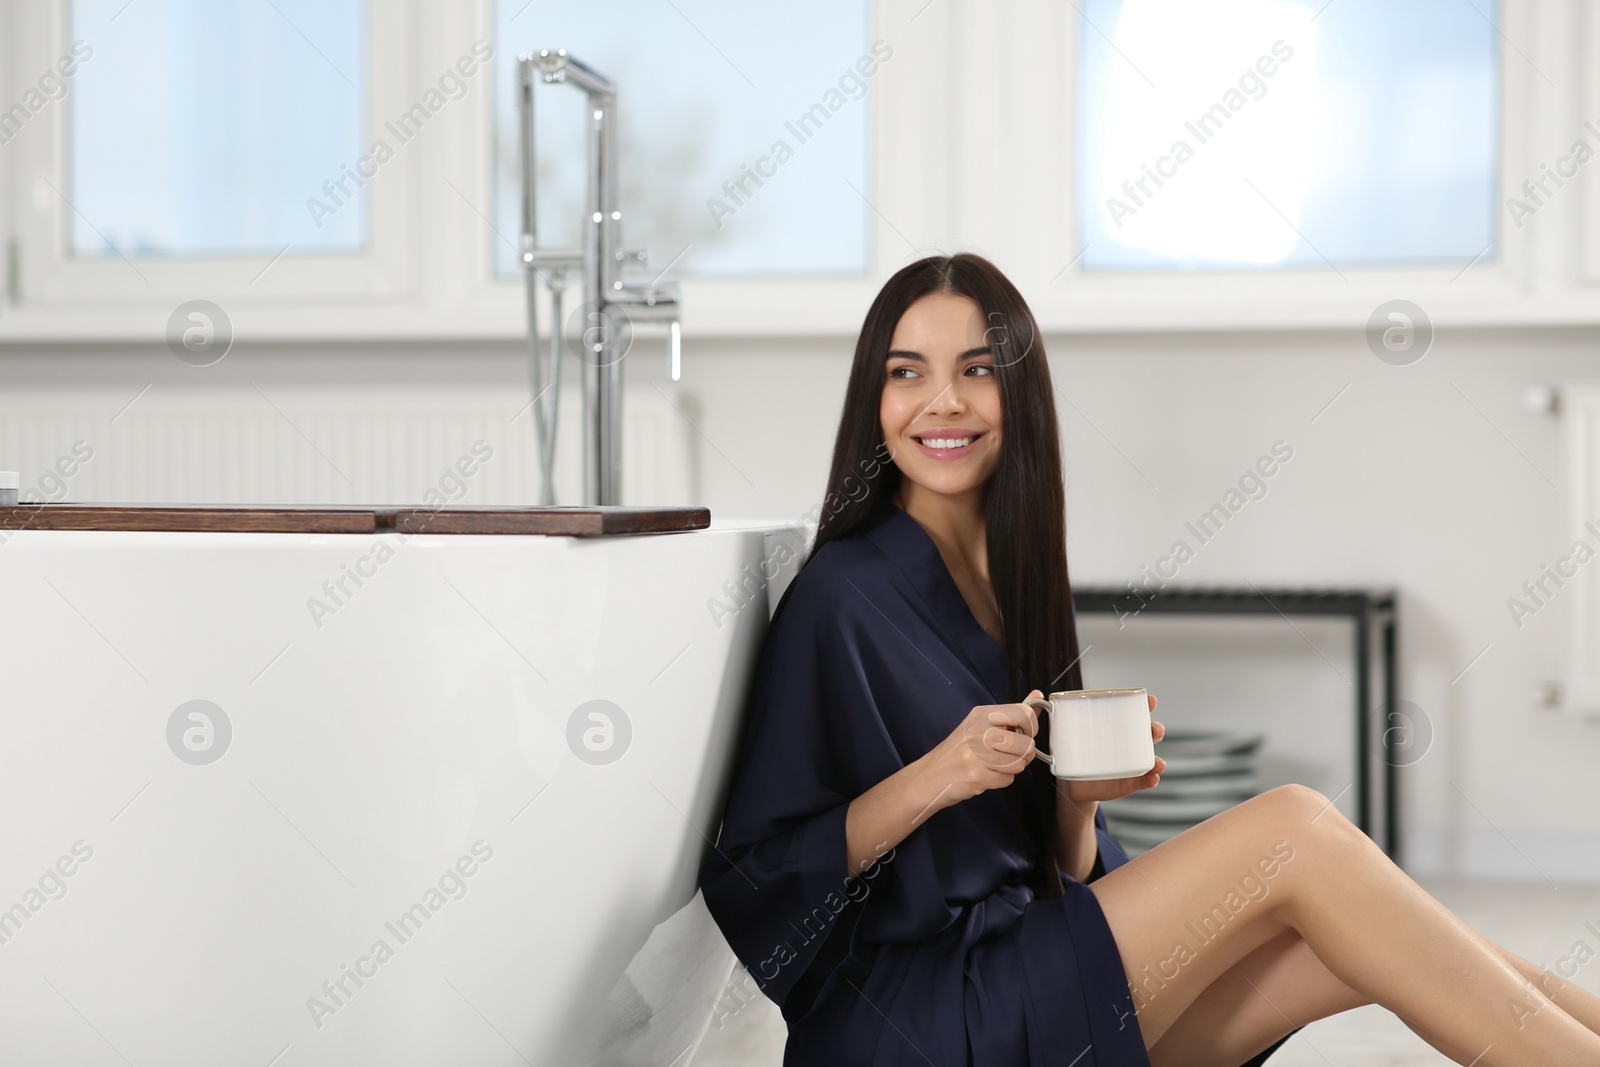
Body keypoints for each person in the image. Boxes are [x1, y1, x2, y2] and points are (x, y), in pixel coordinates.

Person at [697, 252, 1600, 1066]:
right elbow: (757, 876)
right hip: (919, 1016)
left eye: (978, 369)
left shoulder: (1012, 581)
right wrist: (944, 772)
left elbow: (1050, 866)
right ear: (875, 399)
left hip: (1020, 970)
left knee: (1353, 939)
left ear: (1021, 393)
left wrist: (1076, 806)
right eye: (908, 373)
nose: (945, 402)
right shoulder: (840, 595)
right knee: (1293, 825)